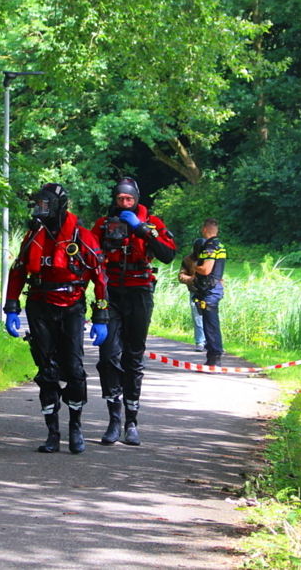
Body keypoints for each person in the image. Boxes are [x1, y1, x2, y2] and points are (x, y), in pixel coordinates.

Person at [3, 183, 109, 454]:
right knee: (46, 371)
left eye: (45, 205)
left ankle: (76, 427)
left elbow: (100, 278)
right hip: (39, 306)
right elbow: (18, 273)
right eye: (37, 205)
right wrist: (11, 308)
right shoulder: (33, 236)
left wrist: (101, 316)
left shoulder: (83, 237)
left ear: (58, 206)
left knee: (73, 370)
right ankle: (53, 432)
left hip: (72, 307)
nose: (40, 210)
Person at [92, 177, 177, 446]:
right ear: (114, 200)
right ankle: (113, 420)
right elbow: (89, 254)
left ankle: (132, 421)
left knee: (133, 357)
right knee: (107, 358)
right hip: (111, 293)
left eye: (128, 199)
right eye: (120, 199)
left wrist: (141, 229)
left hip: (140, 292)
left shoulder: (153, 223)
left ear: (136, 199)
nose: (124, 203)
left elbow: (167, 254)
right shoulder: (103, 224)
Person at [194, 218, 227, 367]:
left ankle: (215, 358)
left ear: (204, 230)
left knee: (210, 324)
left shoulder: (210, 247)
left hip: (210, 290)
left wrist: (195, 267)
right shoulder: (220, 245)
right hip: (215, 287)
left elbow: (206, 269)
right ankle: (212, 358)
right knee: (210, 323)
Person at [178, 237, 207, 352]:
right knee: (197, 317)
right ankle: (200, 342)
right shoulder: (187, 260)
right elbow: (181, 276)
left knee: (210, 317)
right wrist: (192, 279)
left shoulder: (209, 259)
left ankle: (211, 342)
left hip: (208, 292)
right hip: (194, 292)